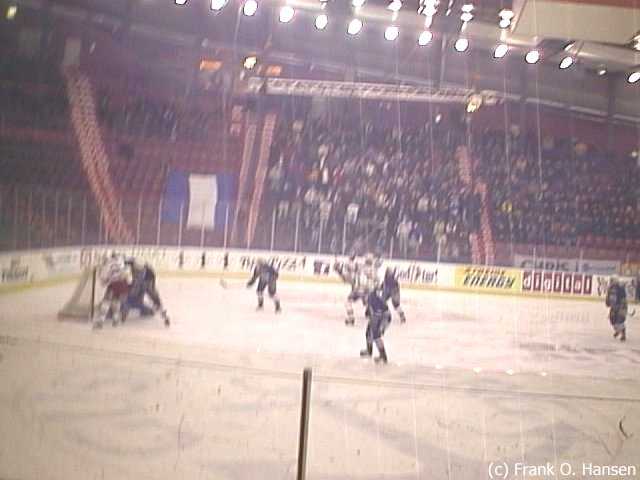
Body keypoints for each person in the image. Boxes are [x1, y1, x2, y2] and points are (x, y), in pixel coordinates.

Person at [124, 259, 170, 327]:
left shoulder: (149, 275)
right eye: (136, 271)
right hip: (140, 284)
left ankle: (150, 311)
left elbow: (151, 290)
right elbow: (122, 262)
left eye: (139, 272)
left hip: (145, 285)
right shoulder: (133, 263)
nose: (136, 272)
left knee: (136, 297)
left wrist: (165, 316)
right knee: (131, 295)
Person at [93, 253, 129, 329]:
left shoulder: (107, 266)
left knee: (106, 301)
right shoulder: (120, 263)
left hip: (114, 285)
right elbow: (125, 274)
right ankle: (115, 319)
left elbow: (104, 278)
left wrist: (105, 282)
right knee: (116, 301)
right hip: (122, 285)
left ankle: (101, 320)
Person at [360, 287, 391, 364]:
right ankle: (369, 350)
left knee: (376, 336)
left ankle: (383, 356)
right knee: (368, 333)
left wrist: (376, 324)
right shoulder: (371, 298)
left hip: (383, 317)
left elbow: (378, 313)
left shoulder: (372, 299)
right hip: (379, 316)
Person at [605, 275, 627, 342]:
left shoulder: (621, 289)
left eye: (612, 280)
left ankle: (623, 334)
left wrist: (621, 307)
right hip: (613, 307)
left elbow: (623, 299)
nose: (611, 281)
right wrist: (608, 302)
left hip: (620, 307)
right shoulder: (610, 288)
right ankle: (618, 330)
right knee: (612, 320)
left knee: (619, 320)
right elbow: (608, 297)